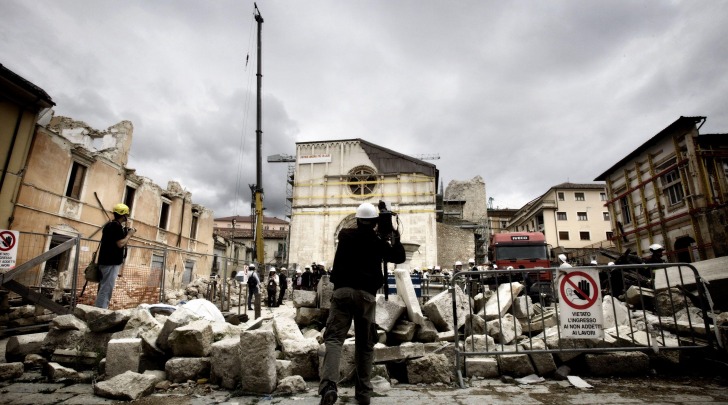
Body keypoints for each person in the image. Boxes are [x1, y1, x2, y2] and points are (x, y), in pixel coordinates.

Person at [319, 202, 405, 405]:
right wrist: (392, 232)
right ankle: (364, 392)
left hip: (342, 293)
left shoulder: (345, 235)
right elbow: (399, 256)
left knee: (333, 340)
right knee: (365, 346)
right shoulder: (377, 241)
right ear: (375, 222)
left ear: (357, 220)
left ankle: (329, 386)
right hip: (366, 296)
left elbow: (354, 236)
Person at [95, 203, 135, 309]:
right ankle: (100, 311)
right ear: (124, 215)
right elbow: (120, 243)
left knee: (103, 287)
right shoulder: (116, 226)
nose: (127, 217)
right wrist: (129, 235)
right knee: (106, 288)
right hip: (111, 262)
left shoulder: (109, 225)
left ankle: (99, 308)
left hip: (105, 261)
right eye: (126, 214)